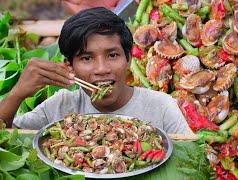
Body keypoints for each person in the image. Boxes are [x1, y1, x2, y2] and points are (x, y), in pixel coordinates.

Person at [0, 7, 193, 134]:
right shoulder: (60, 107)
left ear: (129, 59)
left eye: (112, 55)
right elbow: (7, 138)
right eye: (86, 58)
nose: (101, 69)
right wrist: (17, 93)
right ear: (69, 67)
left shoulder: (162, 107)